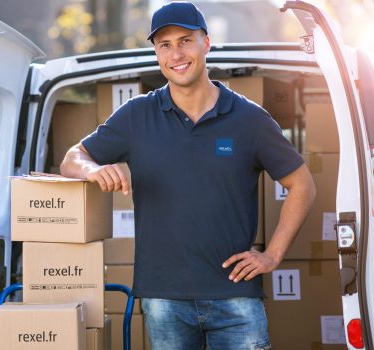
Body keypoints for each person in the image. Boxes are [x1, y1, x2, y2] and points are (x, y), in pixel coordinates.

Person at [60, 1, 316, 349]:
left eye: (185, 40)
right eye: (165, 45)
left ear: (206, 43)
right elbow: (72, 158)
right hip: (164, 300)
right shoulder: (137, 116)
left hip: (235, 298)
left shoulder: (249, 119)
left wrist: (271, 255)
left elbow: (302, 184)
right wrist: (92, 169)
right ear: (156, 53)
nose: (176, 54)